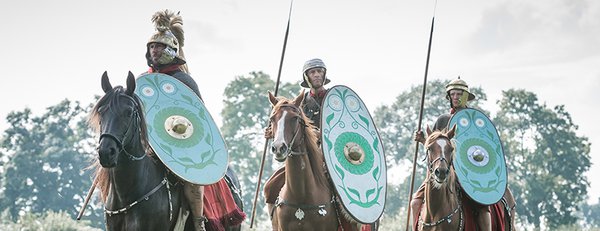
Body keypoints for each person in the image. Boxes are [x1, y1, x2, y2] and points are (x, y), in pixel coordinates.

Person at [143, 10, 248, 231]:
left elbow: (198, 118)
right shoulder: (144, 81)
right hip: (152, 144)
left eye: (160, 46)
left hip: (180, 145)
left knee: (191, 176)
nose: (155, 50)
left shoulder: (183, 81)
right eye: (152, 46)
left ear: (171, 50)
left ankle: (199, 221)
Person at [411, 77, 490, 230]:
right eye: (453, 94)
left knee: (482, 207)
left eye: (459, 94)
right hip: (442, 168)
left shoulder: (473, 121)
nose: (455, 97)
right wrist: (423, 140)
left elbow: (481, 148)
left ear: (466, 96)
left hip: (467, 172)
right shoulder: (442, 120)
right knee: (415, 202)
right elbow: (434, 147)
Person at [263, 58, 331, 219]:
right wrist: (273, 132)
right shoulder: (300, 104)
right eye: (312, 72)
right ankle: (276, 224)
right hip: (305, 156)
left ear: (324, 74)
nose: (316, 75)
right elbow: (291, 128)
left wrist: (324, 134)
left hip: (329, 156)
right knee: (270, 188)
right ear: (307, 77)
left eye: (319, 71)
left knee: (345, 192)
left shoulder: (333, 99)